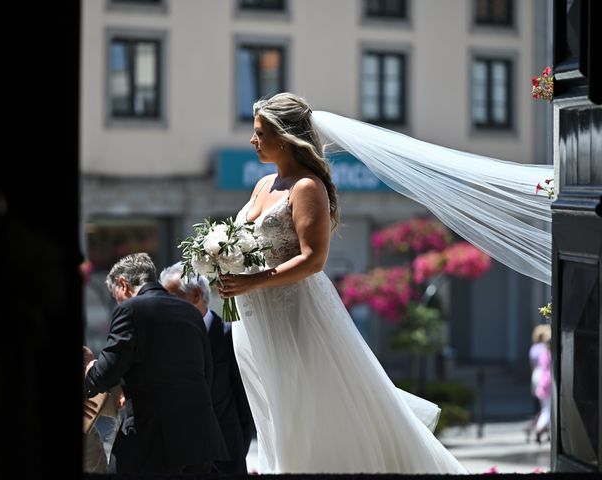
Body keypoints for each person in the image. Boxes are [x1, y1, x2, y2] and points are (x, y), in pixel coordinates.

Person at [215, 92, 467, 474]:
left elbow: (313, 259)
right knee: (269, 402)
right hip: (253, 316)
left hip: (294, 310)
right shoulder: (263, 184)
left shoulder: (307, 187)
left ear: (284, 137)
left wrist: (253, 282)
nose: (253, 140)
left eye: (260, 132)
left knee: (307, 401)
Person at [84, 252, 228, 474]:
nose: (118, 302)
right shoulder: (191, 312)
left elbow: (105, 375)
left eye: (116, 296)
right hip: (200, 439)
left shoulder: (129, 310)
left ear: (123, 284)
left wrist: (90, 368)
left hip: (153, 440)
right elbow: (206, 374)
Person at [160, 262, 255, 475]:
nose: (164, 307)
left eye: (171, 298)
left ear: (195, 295)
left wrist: (236, 450)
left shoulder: (230, 336)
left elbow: (245, 404)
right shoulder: (167, 341)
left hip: (225, 460)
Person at [525, 324, 550, 442]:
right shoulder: (545, 349)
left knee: (539, 404)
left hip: (536, 375)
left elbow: (532, 365)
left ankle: (538, 426)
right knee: (547, 408)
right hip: (545, 377)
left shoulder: (534, 348)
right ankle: (541, 428)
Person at [534, 335, 552, 444]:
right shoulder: (550, 354)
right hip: (548, 383)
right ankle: (540, 429)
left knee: (545, 408)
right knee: (548, 411)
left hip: (542, 383)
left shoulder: (543, 354)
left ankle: (543, 430)